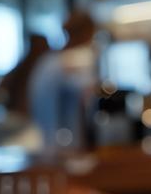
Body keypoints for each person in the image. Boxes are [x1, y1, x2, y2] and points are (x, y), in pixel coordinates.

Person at [28, 11, 100, 153]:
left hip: (46, 141)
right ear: (86, 34)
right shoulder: (71, 62)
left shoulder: (49, 61)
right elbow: (89, 93)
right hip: (61, 148)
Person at [0, 33, 50, 116]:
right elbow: (0, 91)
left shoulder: (48, 66)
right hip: (24, 116)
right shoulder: (25, 66)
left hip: (28, 116)